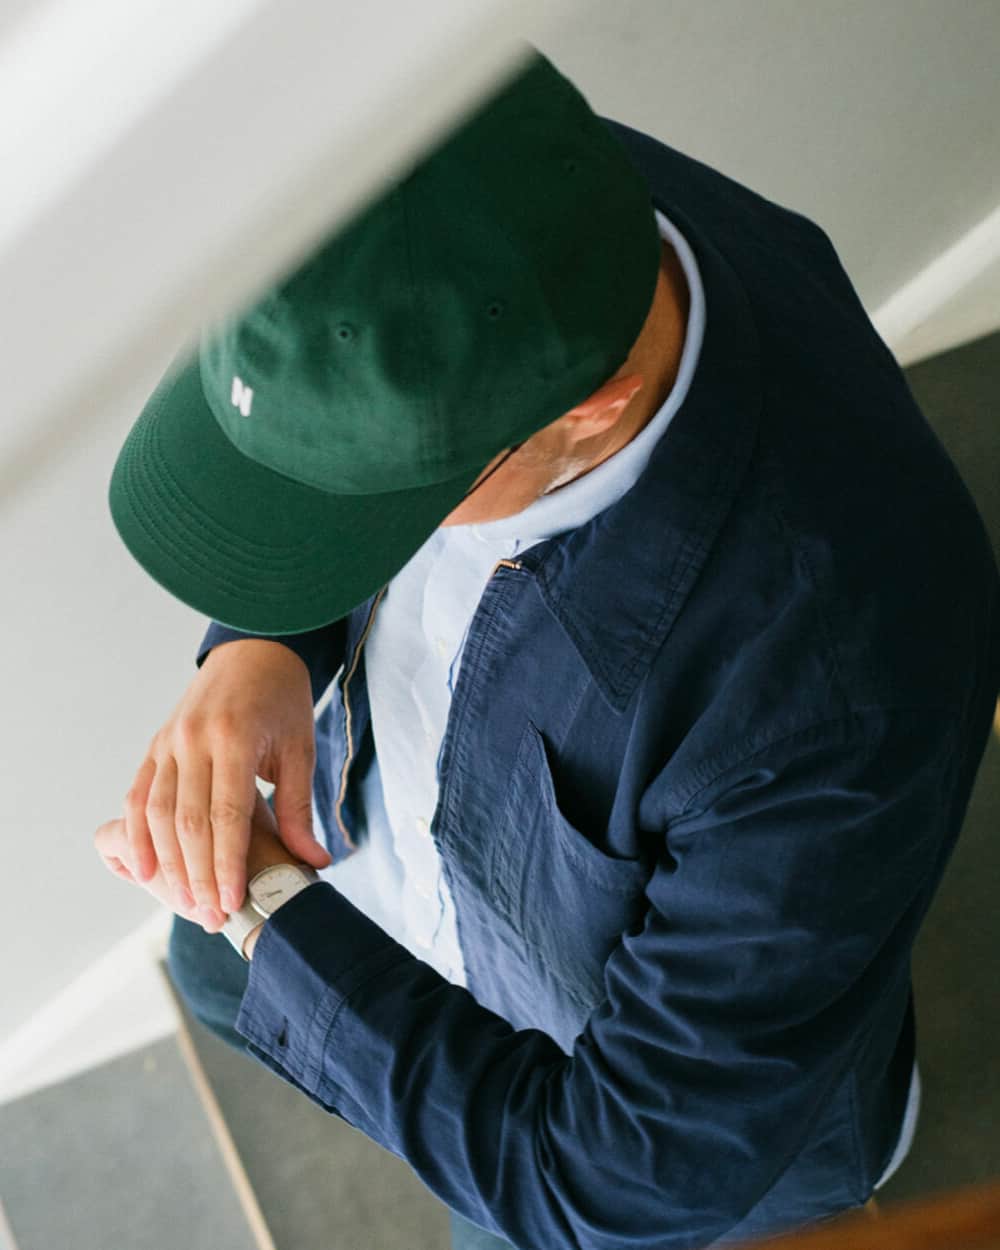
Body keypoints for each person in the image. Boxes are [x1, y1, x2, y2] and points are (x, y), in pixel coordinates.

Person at [94, 45, 1000, 1250]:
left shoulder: (831, 692)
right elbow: (348, 396)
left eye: (385, 503)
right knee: (217, 979)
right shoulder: (503, 209)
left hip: (582, 1081)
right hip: (378, 847)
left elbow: (610, 1173)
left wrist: (267, 908)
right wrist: (261, 643)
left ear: (591, 410)